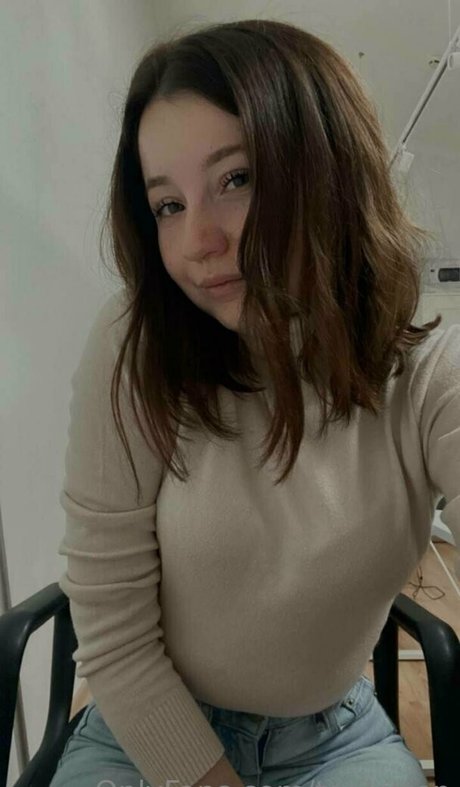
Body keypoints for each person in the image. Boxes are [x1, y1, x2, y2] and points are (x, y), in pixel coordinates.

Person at [50, 17, 459, 787]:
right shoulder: (134, 347)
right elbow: (111, 627)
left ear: (329, 168)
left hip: (334, 738)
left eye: (235, 179)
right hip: (150, 724)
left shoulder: (428, 368)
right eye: (167, 205)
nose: (196, 240)